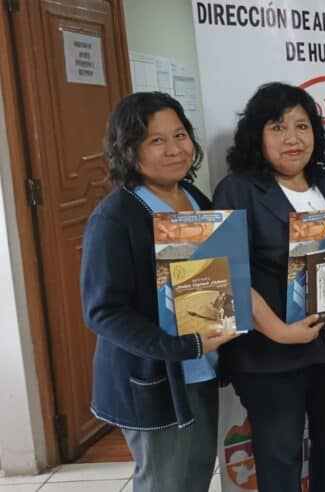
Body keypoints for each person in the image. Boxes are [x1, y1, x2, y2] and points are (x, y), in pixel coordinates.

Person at [81, 92, 239, 491]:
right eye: (157, 140)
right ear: (129, 150)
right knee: (164, 482)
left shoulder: (194, 198)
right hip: (154, 377)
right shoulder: (116, 216)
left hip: (202, 368)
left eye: (181, 135)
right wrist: (182, 347)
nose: (175, 150)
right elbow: (103, 312)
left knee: (197, 473)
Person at [212, 82, 325, 492]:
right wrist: (277, 329)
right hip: (271, 352)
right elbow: (223, 275)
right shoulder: (237, 189)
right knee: (280, 458)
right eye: (278, 127)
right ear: (257, 134)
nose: (293, 138)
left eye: (302, 125)